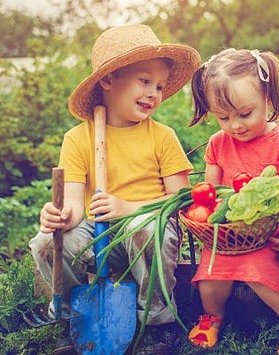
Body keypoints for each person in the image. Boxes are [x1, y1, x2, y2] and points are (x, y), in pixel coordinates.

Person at [29, 24, 200, 353]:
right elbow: (75, 207)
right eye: (144, 81)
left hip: (145, 233)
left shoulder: (161, 136)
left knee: (147, 227)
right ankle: (76, 316)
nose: (154, 93)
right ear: (108, 81)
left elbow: (181, 199)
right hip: (97, 234)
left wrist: (129, 208)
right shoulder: (79, 138)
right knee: (47, 241)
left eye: (160, 86)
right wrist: (59, 216)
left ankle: (158, 324)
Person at [187, 48, 279, 354]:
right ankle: (212, 316)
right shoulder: (218, 144)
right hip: (229, 236)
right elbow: (211, 194)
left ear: (267, 100)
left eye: (245, 114)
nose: (236, 125)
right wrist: (209, 224)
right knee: (210, 275)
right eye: (223, 117)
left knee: (259, 274)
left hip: (272, 235)